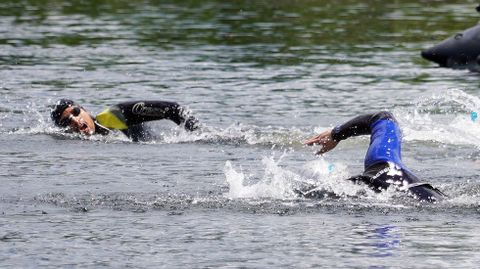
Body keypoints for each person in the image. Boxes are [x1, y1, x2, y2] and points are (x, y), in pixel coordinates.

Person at [304, 111, 445, 202]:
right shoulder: (444, 202)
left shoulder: (385, 164)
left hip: (382, 177)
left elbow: (383, 118)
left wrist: (336, 134)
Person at [51, 99, 199, 141]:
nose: (76, 121)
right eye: (66, 122)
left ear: (84, 110)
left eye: (76, 112)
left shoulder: (114, 116)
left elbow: (174, 109)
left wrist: (199, 135)